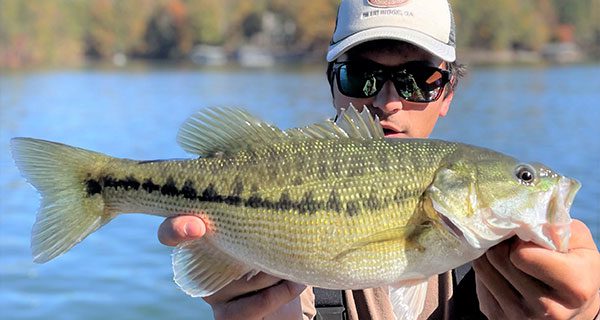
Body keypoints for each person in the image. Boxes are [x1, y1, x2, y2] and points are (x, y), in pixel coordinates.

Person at [158, 0, 600, 319]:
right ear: (333, 84)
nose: (388, 102)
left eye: (418, 80)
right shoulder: (285, 271)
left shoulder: (500, 260)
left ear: (446, 94)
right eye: (360, 75)